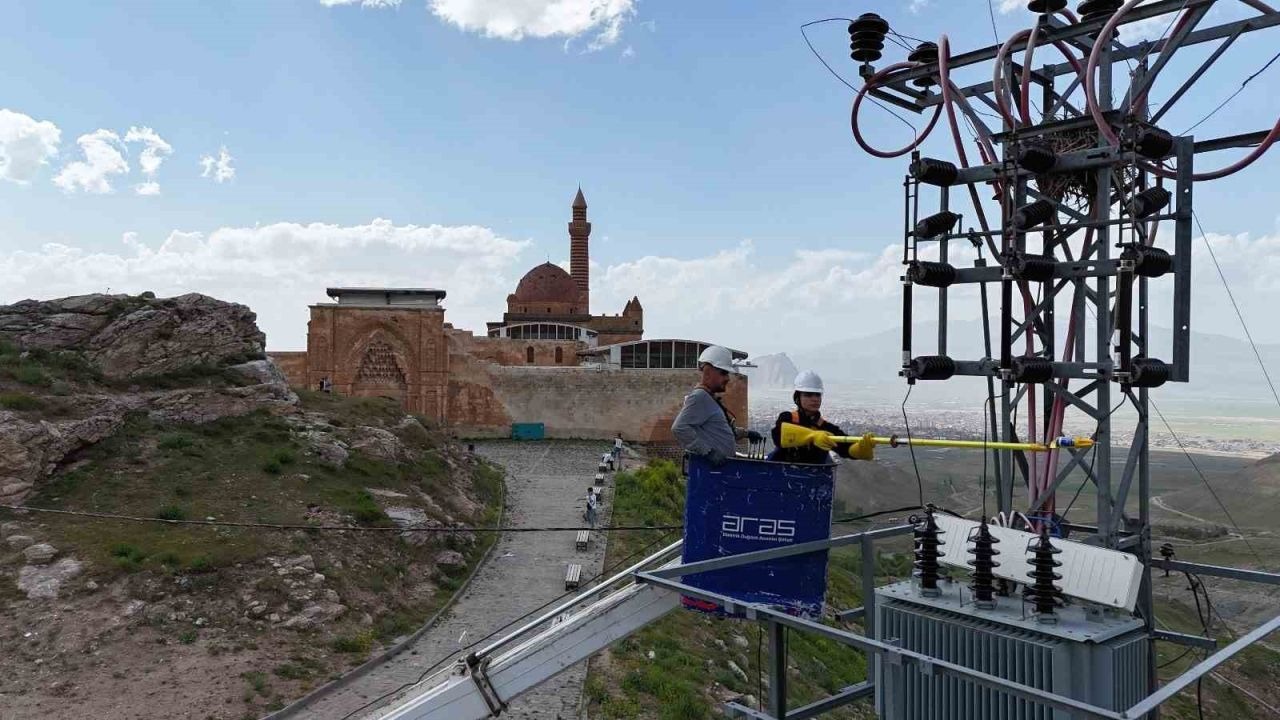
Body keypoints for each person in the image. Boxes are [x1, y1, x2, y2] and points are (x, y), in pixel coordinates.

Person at [671, 345, 761, 465]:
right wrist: (708, 452)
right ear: (708, 372)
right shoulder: (700, 397)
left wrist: (746, 434)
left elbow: (718, 431)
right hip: (710, 473)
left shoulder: (708, 398)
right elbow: (679, 428)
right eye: (723, 373)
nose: (727, 378)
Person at [770, 370, 875, 465]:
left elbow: (845, 448)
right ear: (798, 398)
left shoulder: (826, 428)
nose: (815, 399)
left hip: (813, 481)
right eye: (808, 395)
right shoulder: (787, 419)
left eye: (817, 395)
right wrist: (812, 436)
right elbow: (778, 437)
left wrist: (859, 450)